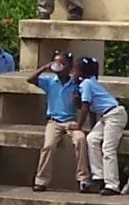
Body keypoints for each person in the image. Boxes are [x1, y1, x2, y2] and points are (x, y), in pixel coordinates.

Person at [31, 51, 89, 192]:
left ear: (69, 66)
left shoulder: (75, 83)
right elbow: (31, 79)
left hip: (70, 121)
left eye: (62, 63)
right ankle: (41, 180)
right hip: (54, 121)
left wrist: (78, 101)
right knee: (48, 145)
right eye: (56, 63)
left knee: (80, 140)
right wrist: (45, 67)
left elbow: (83, 105)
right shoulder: (50, 81)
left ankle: (83, 179)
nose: (58, 66)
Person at [75, 56, 129, 194]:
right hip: (105, 117)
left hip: (114, 115)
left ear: (81, 71)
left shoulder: (87, 83)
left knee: (108, 148)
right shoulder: (89, 83)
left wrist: (78, 126)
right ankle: (98, 176)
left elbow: (86, 107)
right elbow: (92, 110)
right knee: (91, 138)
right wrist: (93, 128)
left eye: (76, 69)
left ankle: (112, 185)